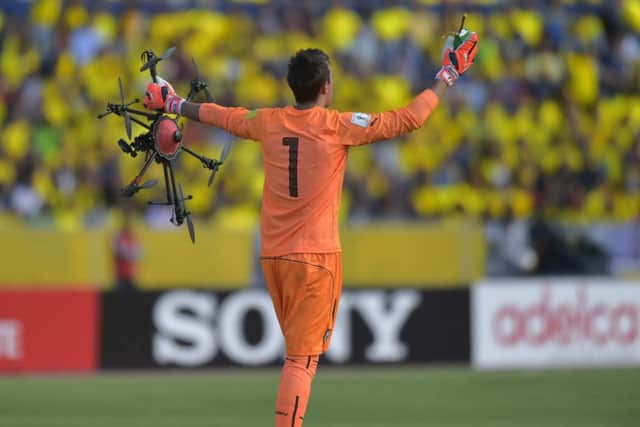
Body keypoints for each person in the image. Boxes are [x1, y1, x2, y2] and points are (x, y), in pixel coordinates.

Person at [143, 29, 478, 427]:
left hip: (273, 257)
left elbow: (224, 116)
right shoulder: (337, 126)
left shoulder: (267, 122)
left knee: (297, 357)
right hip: (316, 259)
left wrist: (176, 103)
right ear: (325, 88)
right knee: (301, 361)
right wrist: (449, 73)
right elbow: (410, 119)